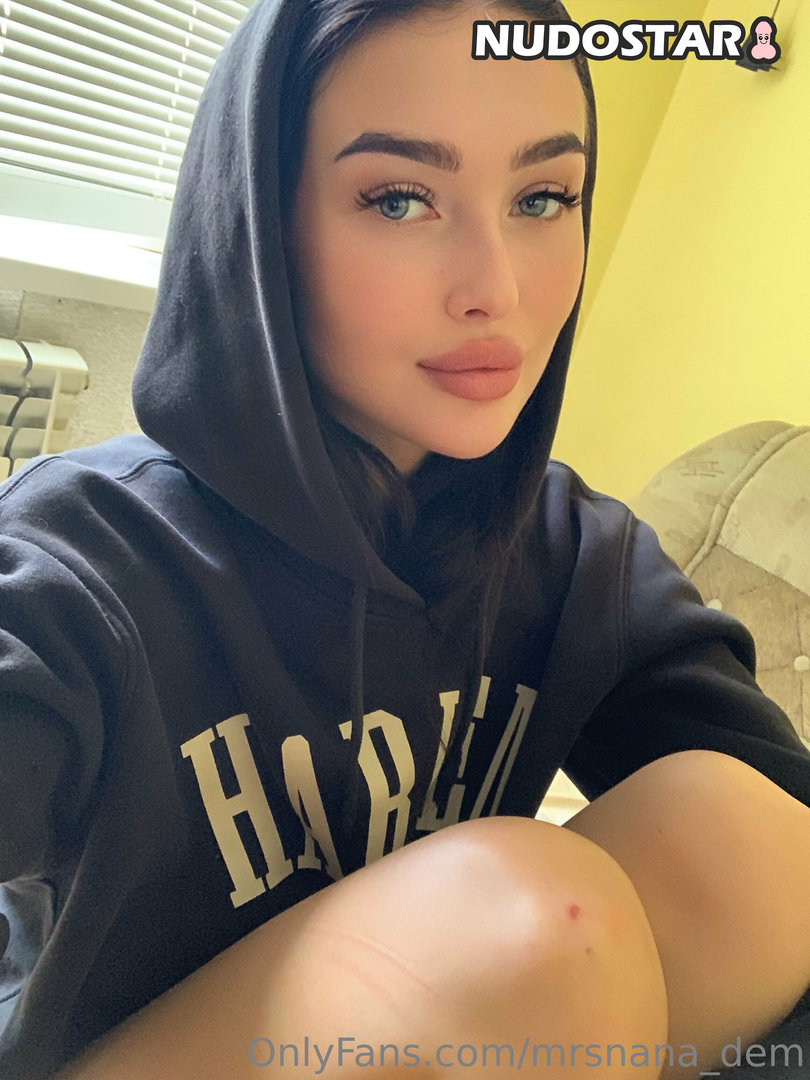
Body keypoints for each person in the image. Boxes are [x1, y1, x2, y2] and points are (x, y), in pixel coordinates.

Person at [0, 0, 808, 1077]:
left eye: (542, 198)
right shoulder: (80, 564)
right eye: (399, 199)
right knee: (527, 928)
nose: (497, 288)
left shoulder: (576, 559)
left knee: (742, 839)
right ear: (257, 224)